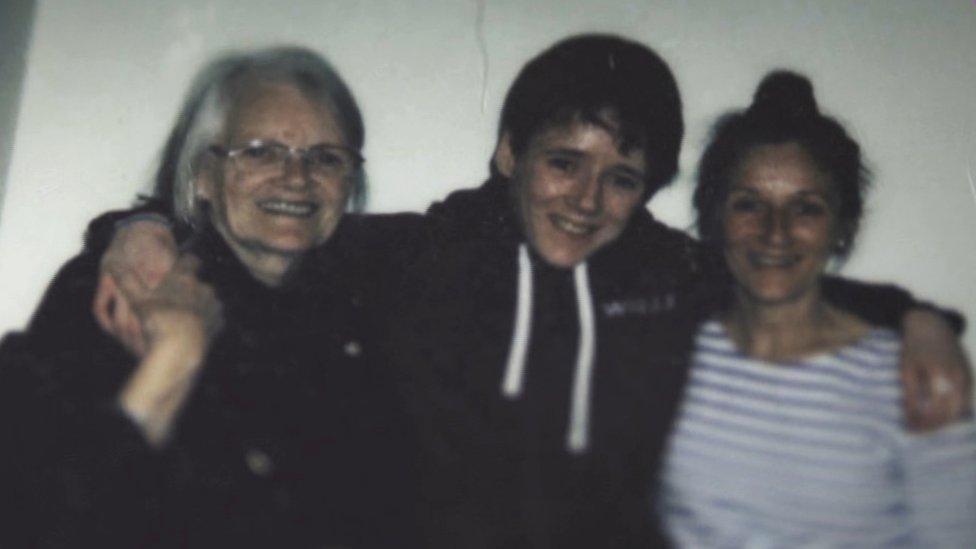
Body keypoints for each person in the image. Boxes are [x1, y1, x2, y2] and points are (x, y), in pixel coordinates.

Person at [83, 35, 968, 547]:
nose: (586, 199)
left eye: (621, 178)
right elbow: (266, 227)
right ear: (510, 151)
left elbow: (790, 276)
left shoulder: (670, 278)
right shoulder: (416, 256)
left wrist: (919, 318)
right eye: (562, 162)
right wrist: (137, 226)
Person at [0, 47, 416, 548]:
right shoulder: (123, 289)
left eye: (326, 158)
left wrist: (136, 220)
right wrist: (175, 356)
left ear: (350, 185)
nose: (297, 177)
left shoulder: (372, 304)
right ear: (201, 174)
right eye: (260, 150)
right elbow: (35, 513)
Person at [660, 71, 976, 547]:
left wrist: (924, 321)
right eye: (749, 205)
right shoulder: (668, 353)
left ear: (842, 226)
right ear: (715, 216)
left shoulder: (912, 374)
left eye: (806, 208)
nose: (776, 232)